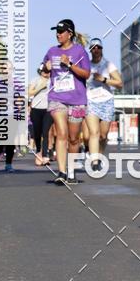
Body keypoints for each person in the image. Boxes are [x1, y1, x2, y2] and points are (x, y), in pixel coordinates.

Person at [43, 18, 90, 184]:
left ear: (69, 34)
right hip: (57, 98)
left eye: (61, 31)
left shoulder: (80, 51)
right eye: (56, 31)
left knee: (74, 138)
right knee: (61, 133)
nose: (58, 34)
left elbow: (86, 74)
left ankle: (71, 171)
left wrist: (69, 64)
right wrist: (45, 68)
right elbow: (43, 69)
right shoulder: (51, 51)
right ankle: (61, 172)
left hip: (77, 99)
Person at [85, 38, 122, 171]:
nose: (96, 50)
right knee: (93, 133)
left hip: (106, 101)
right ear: (90, 50)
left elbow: (119, 83)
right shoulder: (86, 65)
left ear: (102, 49)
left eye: (98, 47)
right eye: (93, 47)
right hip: (90, 101)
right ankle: (94, 162)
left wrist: (104, 79)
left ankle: (99, 156)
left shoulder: (108, 65)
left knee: (103, 135)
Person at [28, 64, 53, 166]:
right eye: (44, 71)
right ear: (40, 71)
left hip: (48, 109)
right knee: (37, 133)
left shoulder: (53, 81)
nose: (46, 73)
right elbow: (30, 92)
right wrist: (40, 87)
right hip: (36, 109)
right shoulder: (35, 80)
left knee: (45, 132)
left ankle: (45, 155)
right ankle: (39, 150)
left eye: (48, 71)